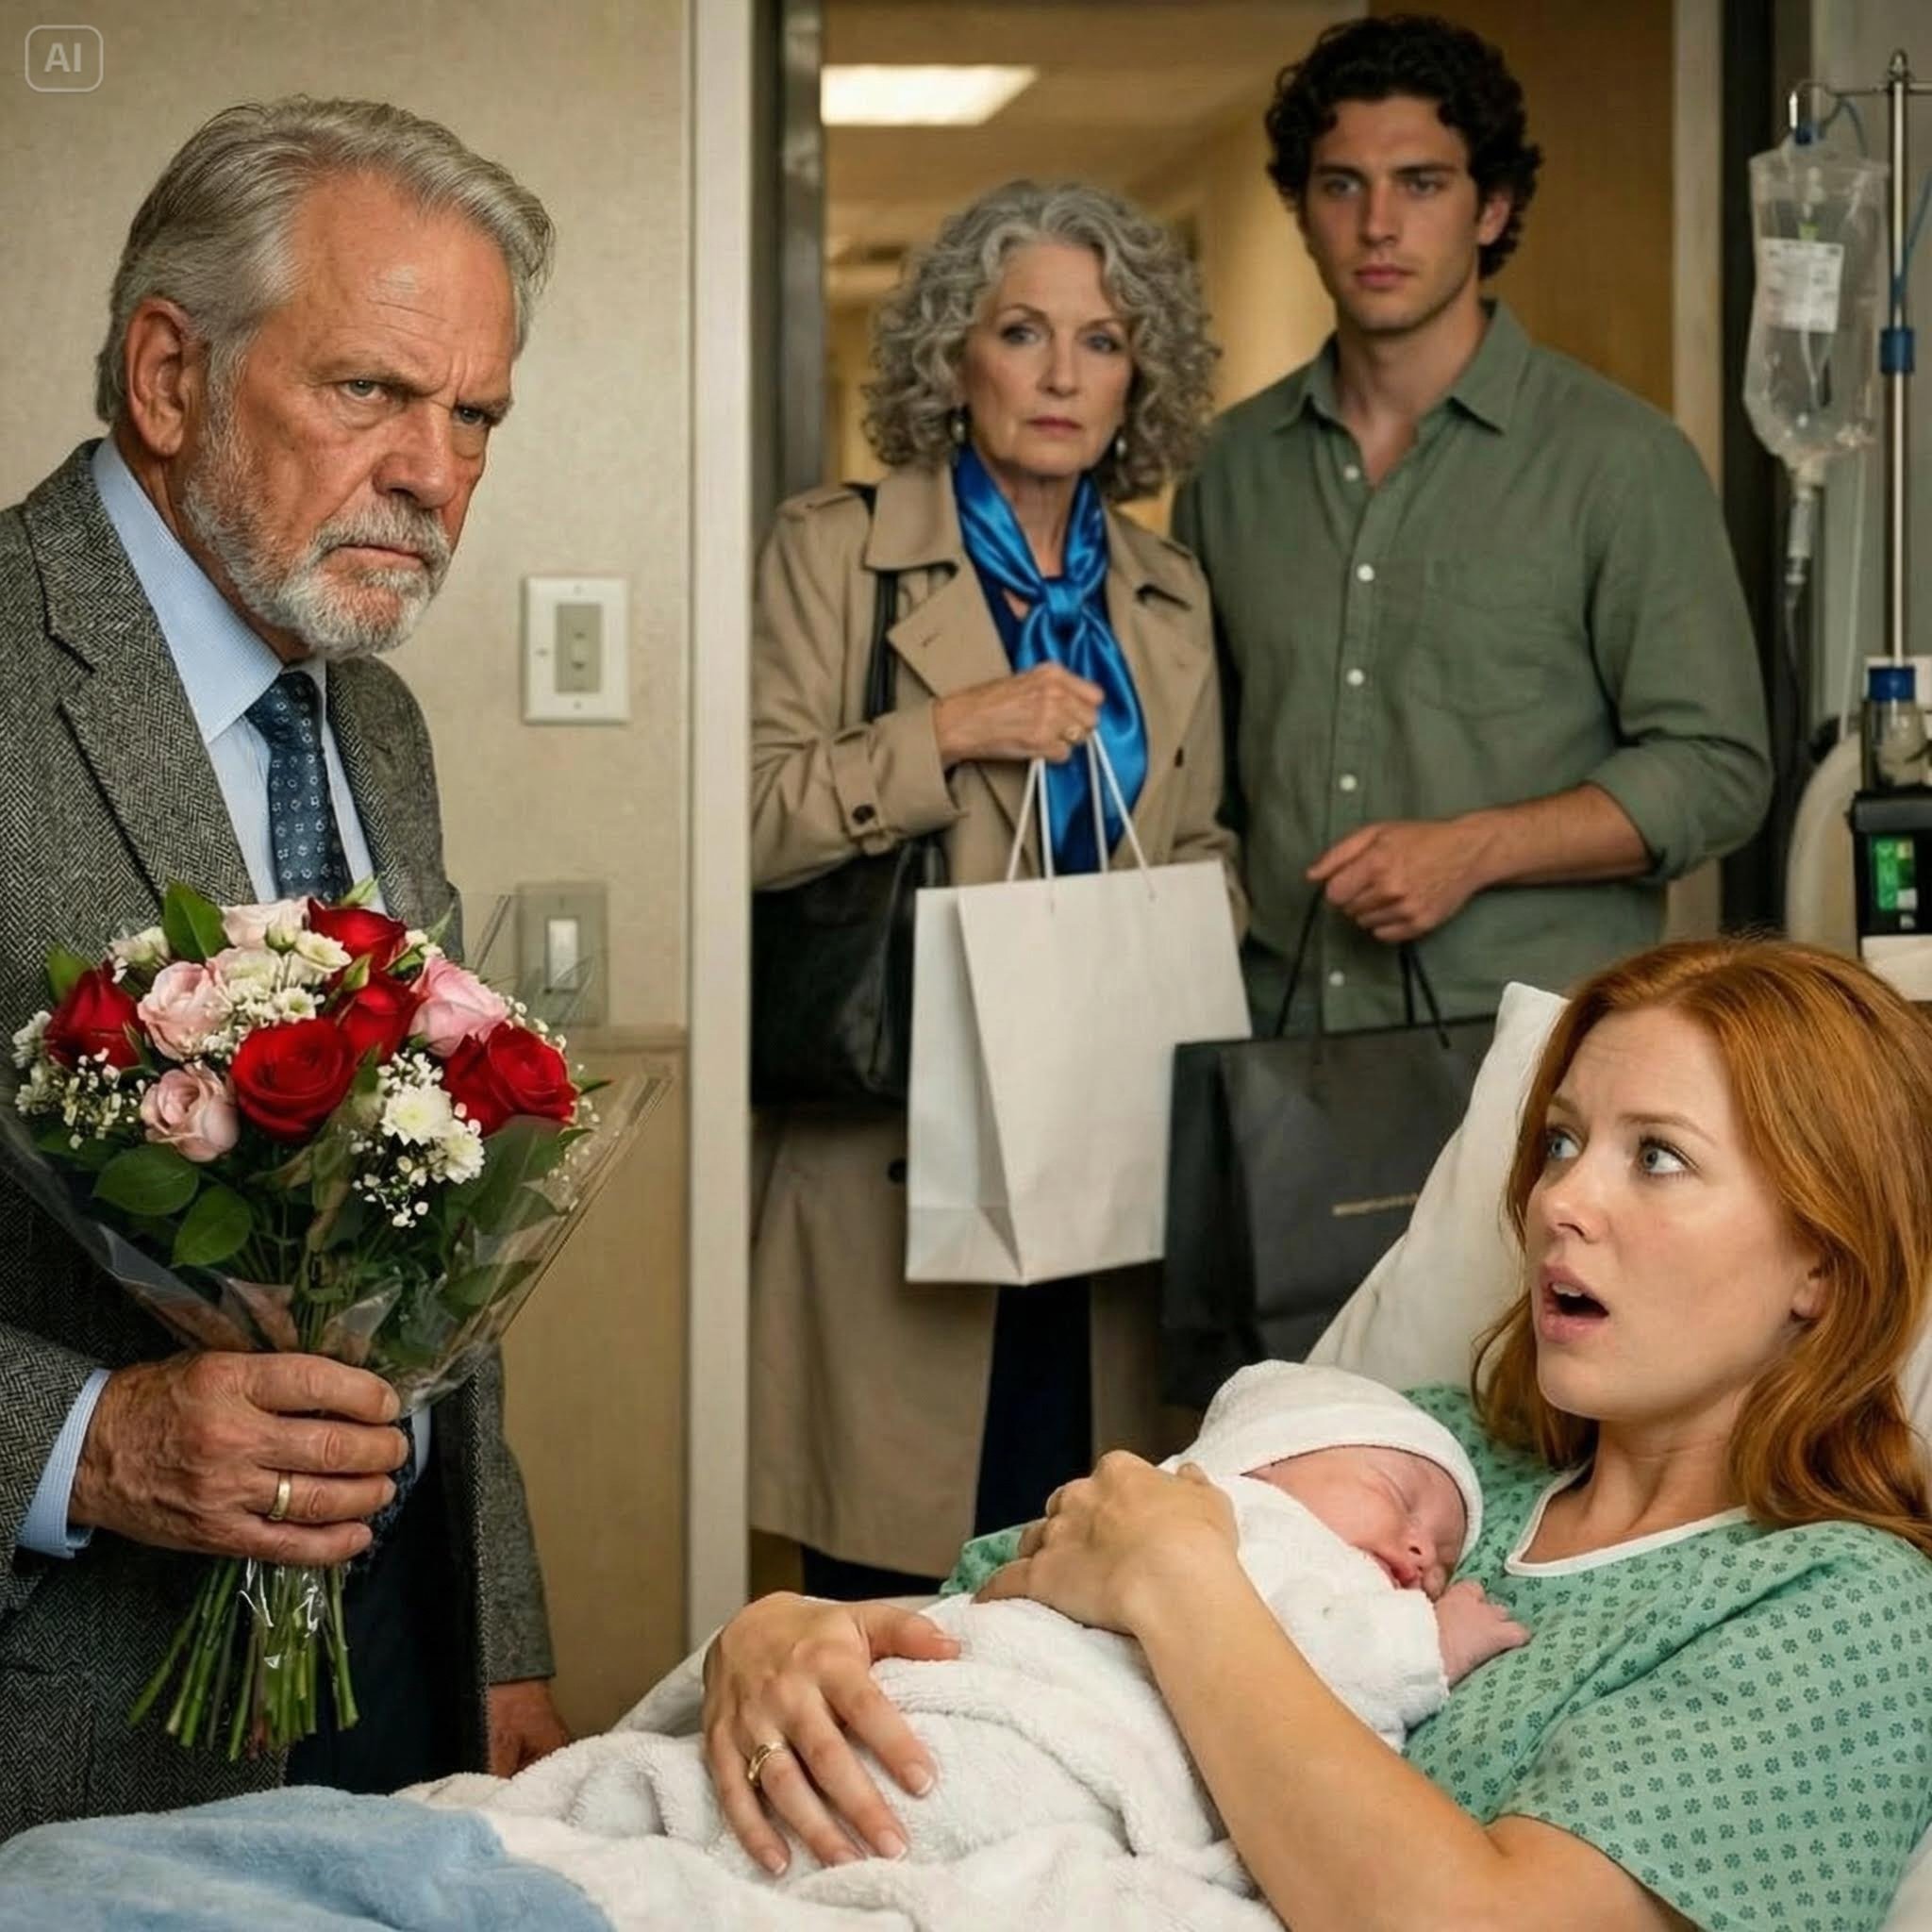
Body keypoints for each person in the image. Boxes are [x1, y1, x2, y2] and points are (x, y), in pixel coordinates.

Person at [700, 937, 1932, 1931]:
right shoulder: (1429, 1457)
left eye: (1656, 1157)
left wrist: (1182, 1581)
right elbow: (1012, 1609)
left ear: (1820, 1263)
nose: (1561, 1197)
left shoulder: (1841, 1608)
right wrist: (779, 1634)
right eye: (1559, 1140)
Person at [0, 96, 567, 1833]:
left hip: (392, 1661)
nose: (434, 472)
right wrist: (88, 1440)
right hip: (68, 1718)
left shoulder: (374, 722)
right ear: (170, 375)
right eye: (371, 390)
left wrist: (498, 1639)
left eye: (474, 414)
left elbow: (435, 1232)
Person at [749, 179, 1242, 1596]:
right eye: (1023, 332)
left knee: (1072, 1591)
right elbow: (746, 822)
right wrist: (952, 731)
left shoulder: (1166, 588)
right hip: (902, 1161)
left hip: (1106, 1158)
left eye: (1102, 340)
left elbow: (1203, 843)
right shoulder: (833, 549)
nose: (1062, 375)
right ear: (953, 357)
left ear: (1139, 376)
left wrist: (1180, 935)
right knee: (889, 1610)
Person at [1171, 14, 1771, 1035]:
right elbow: (1196, 783)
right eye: (1341, 185)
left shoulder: (1618, 460)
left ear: (1491, 208)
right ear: (1302, 210)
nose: (1377, 226)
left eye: (1420, 183)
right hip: (1278, 1047)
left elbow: (1717, 770)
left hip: (1535, 1057)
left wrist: (1475, 849)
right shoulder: (1224, 469)